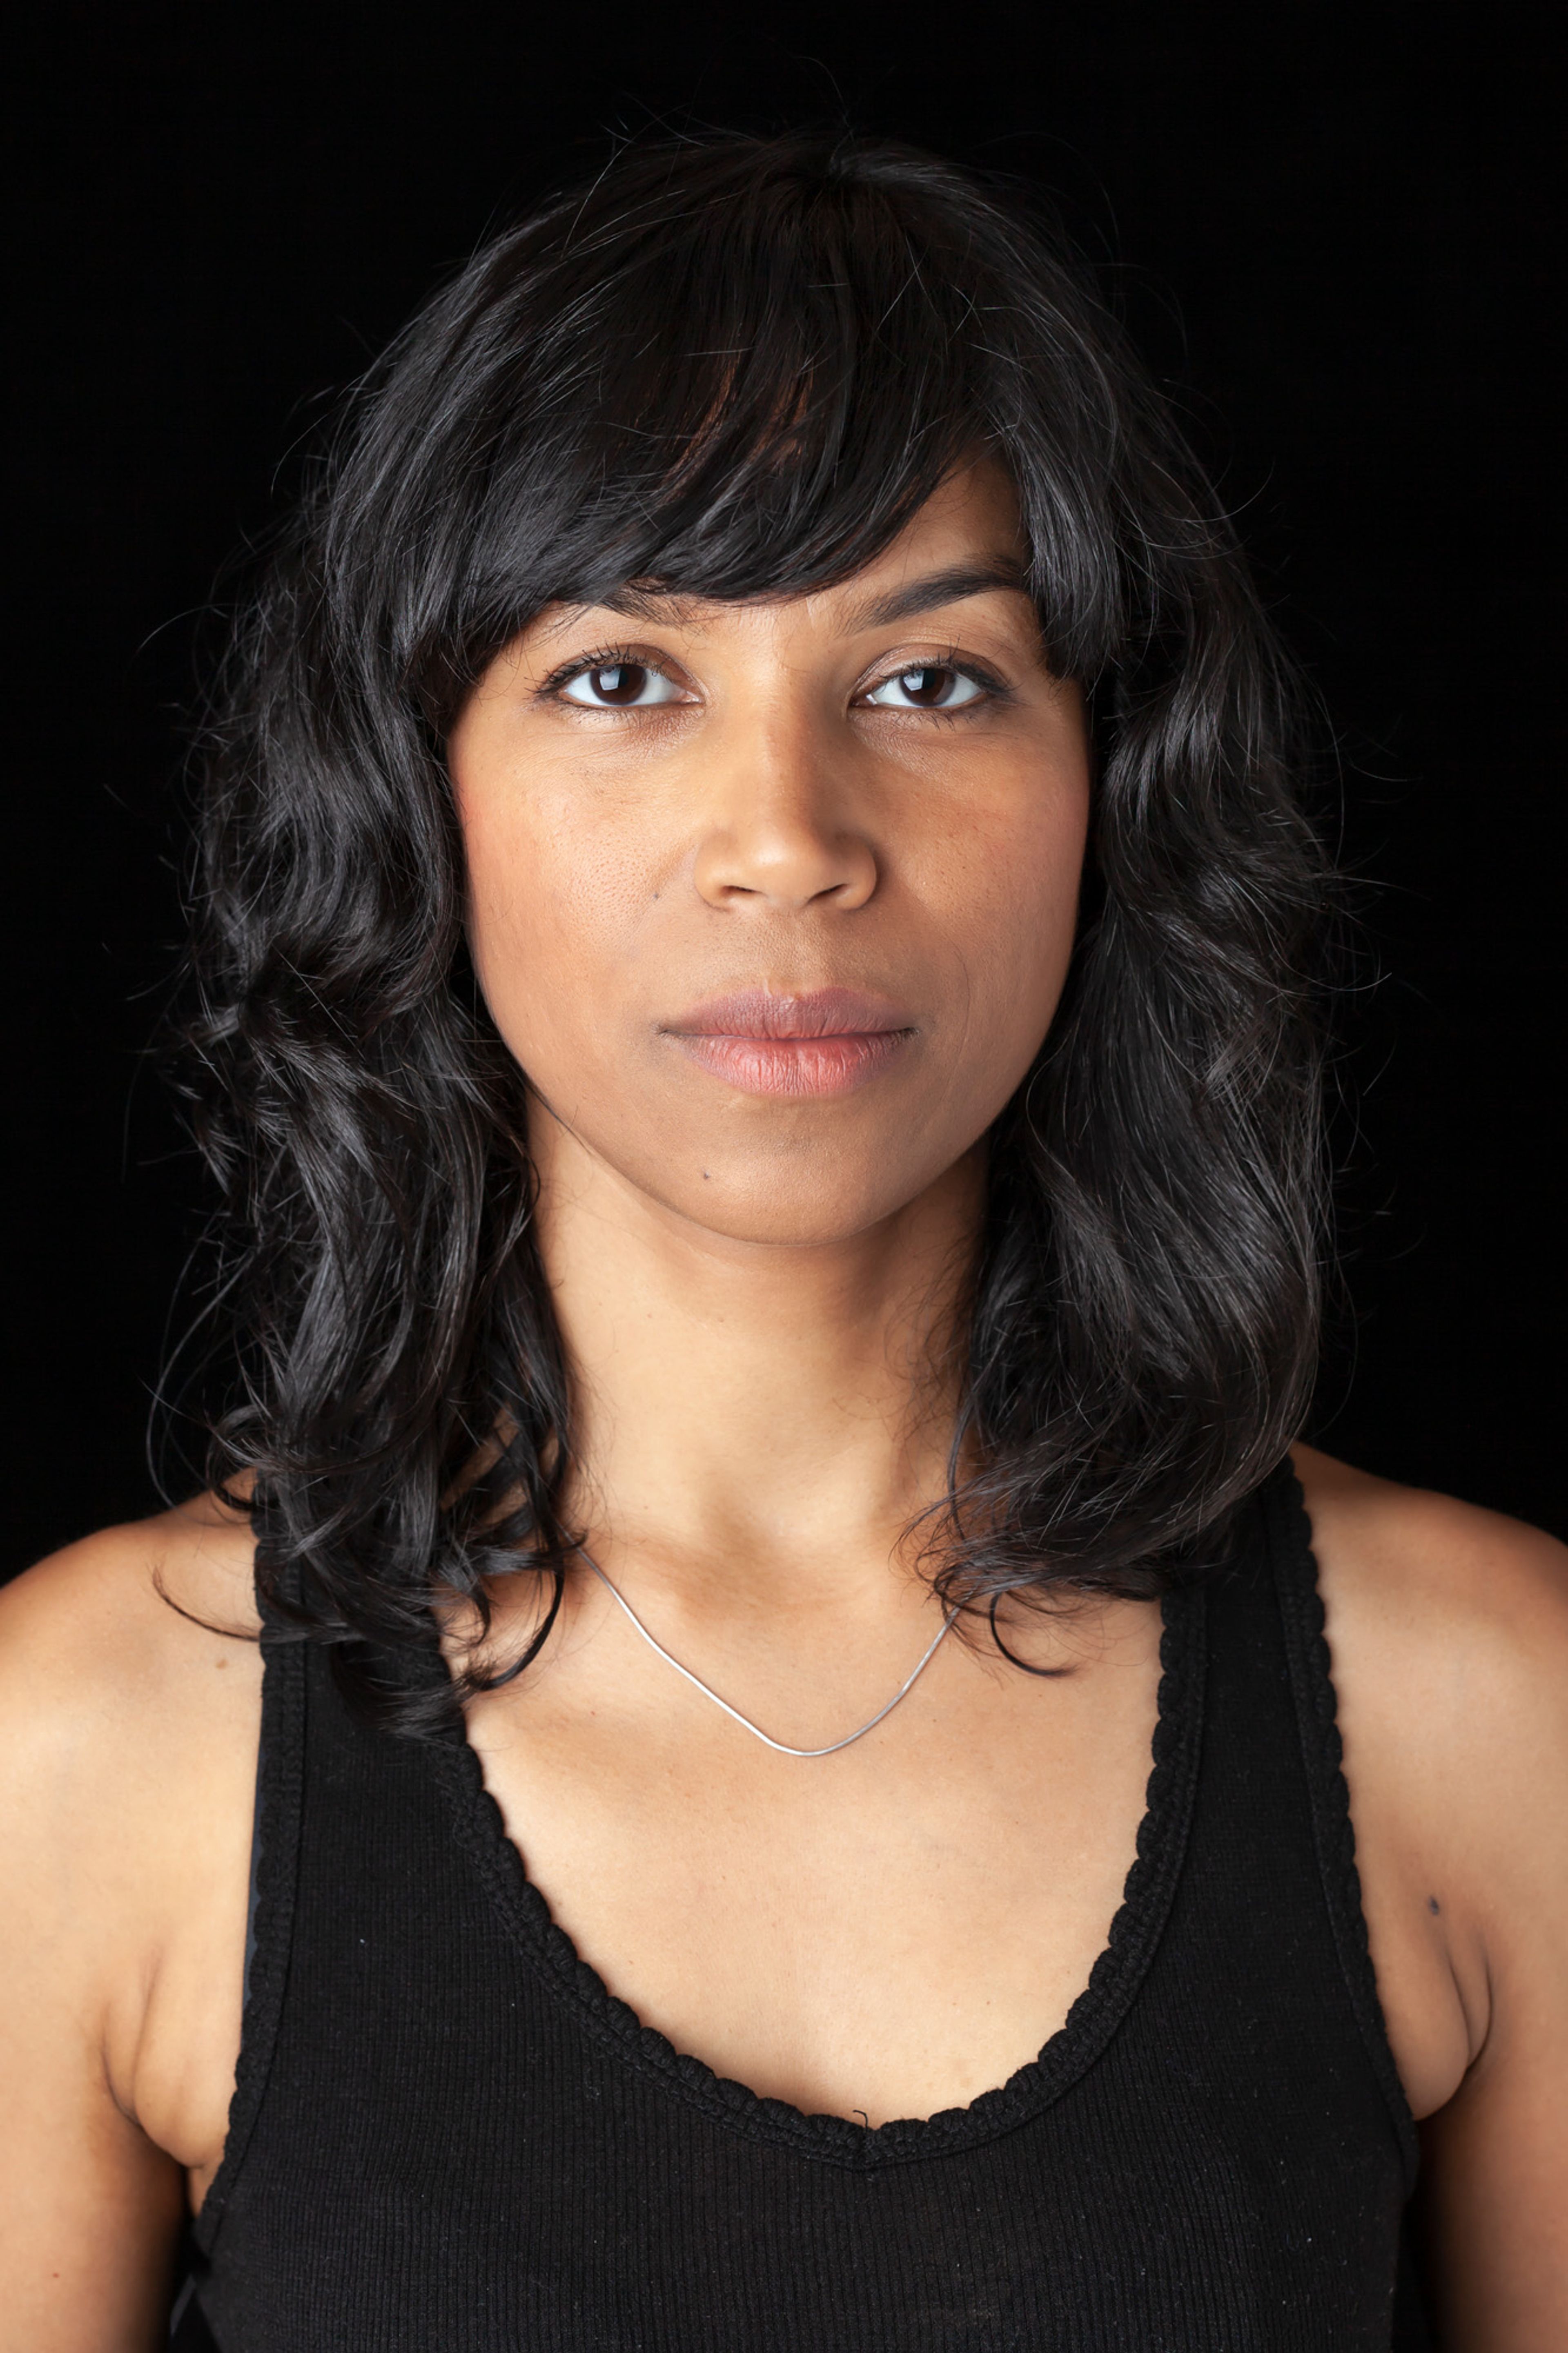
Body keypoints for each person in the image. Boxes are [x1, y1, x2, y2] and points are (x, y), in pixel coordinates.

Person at [0, 133, 1563, 2353]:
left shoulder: (1491, 1709)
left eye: (930, 681)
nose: (786, 841)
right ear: (414, 787)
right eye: (624, 678)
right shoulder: (89, 1749)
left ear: (1112, 781)